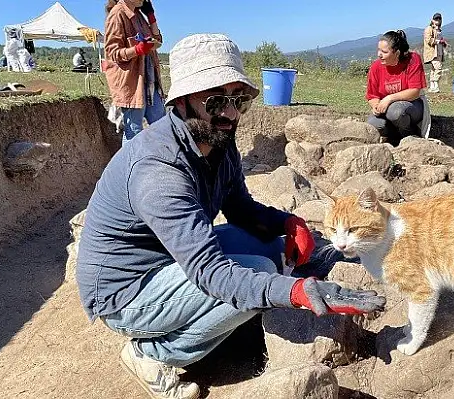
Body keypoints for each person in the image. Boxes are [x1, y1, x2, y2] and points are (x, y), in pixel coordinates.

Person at [76, 33, 386, 399]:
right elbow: (210, 273)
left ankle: (208, 319)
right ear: (183, 102)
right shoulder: (158, 171)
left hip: (168, 255)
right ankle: (150, 353)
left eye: (239, 99)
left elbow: (238, 207)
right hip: (126, 289)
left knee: (268, 248)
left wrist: (286, 223)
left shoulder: (216, 139)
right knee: (261, 275)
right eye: (217, 100)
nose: (232, 112)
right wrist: (298, 291)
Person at [104, 0, 166, 144]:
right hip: (132, 82)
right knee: (134, 131)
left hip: (150, 81)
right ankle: (129, 164)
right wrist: (138, 50)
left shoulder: (138, 14)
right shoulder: (117, 14)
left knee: (162, 125)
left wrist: (151, 17)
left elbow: (157, 40)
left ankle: (158, 160)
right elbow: (113, 53)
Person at [366, 30, 430, 145]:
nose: (379, 54)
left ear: (397, 53)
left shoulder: (413, 60)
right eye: (379, 50)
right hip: (387, 110)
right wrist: (376, 106)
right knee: (373, 122)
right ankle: (395, 138)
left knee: (395, 111)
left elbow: (414, 92)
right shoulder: (376, 67)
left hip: (412, 105)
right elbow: (372, 95)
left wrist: (389, 98)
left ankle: (410, 137)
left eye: (384, 52)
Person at [423, 13, 447, 93]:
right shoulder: (429, 29)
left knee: (434, 69)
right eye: (436, 19)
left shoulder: (439, 30)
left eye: (439, 19)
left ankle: (432, 86)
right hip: (432, 53)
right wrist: (439, 41)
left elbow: (440, 40)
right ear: (432, 20)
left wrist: (443, 43)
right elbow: (428, 40)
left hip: (439, 52)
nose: (438, 20)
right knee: (438, 68)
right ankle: (436, 85)